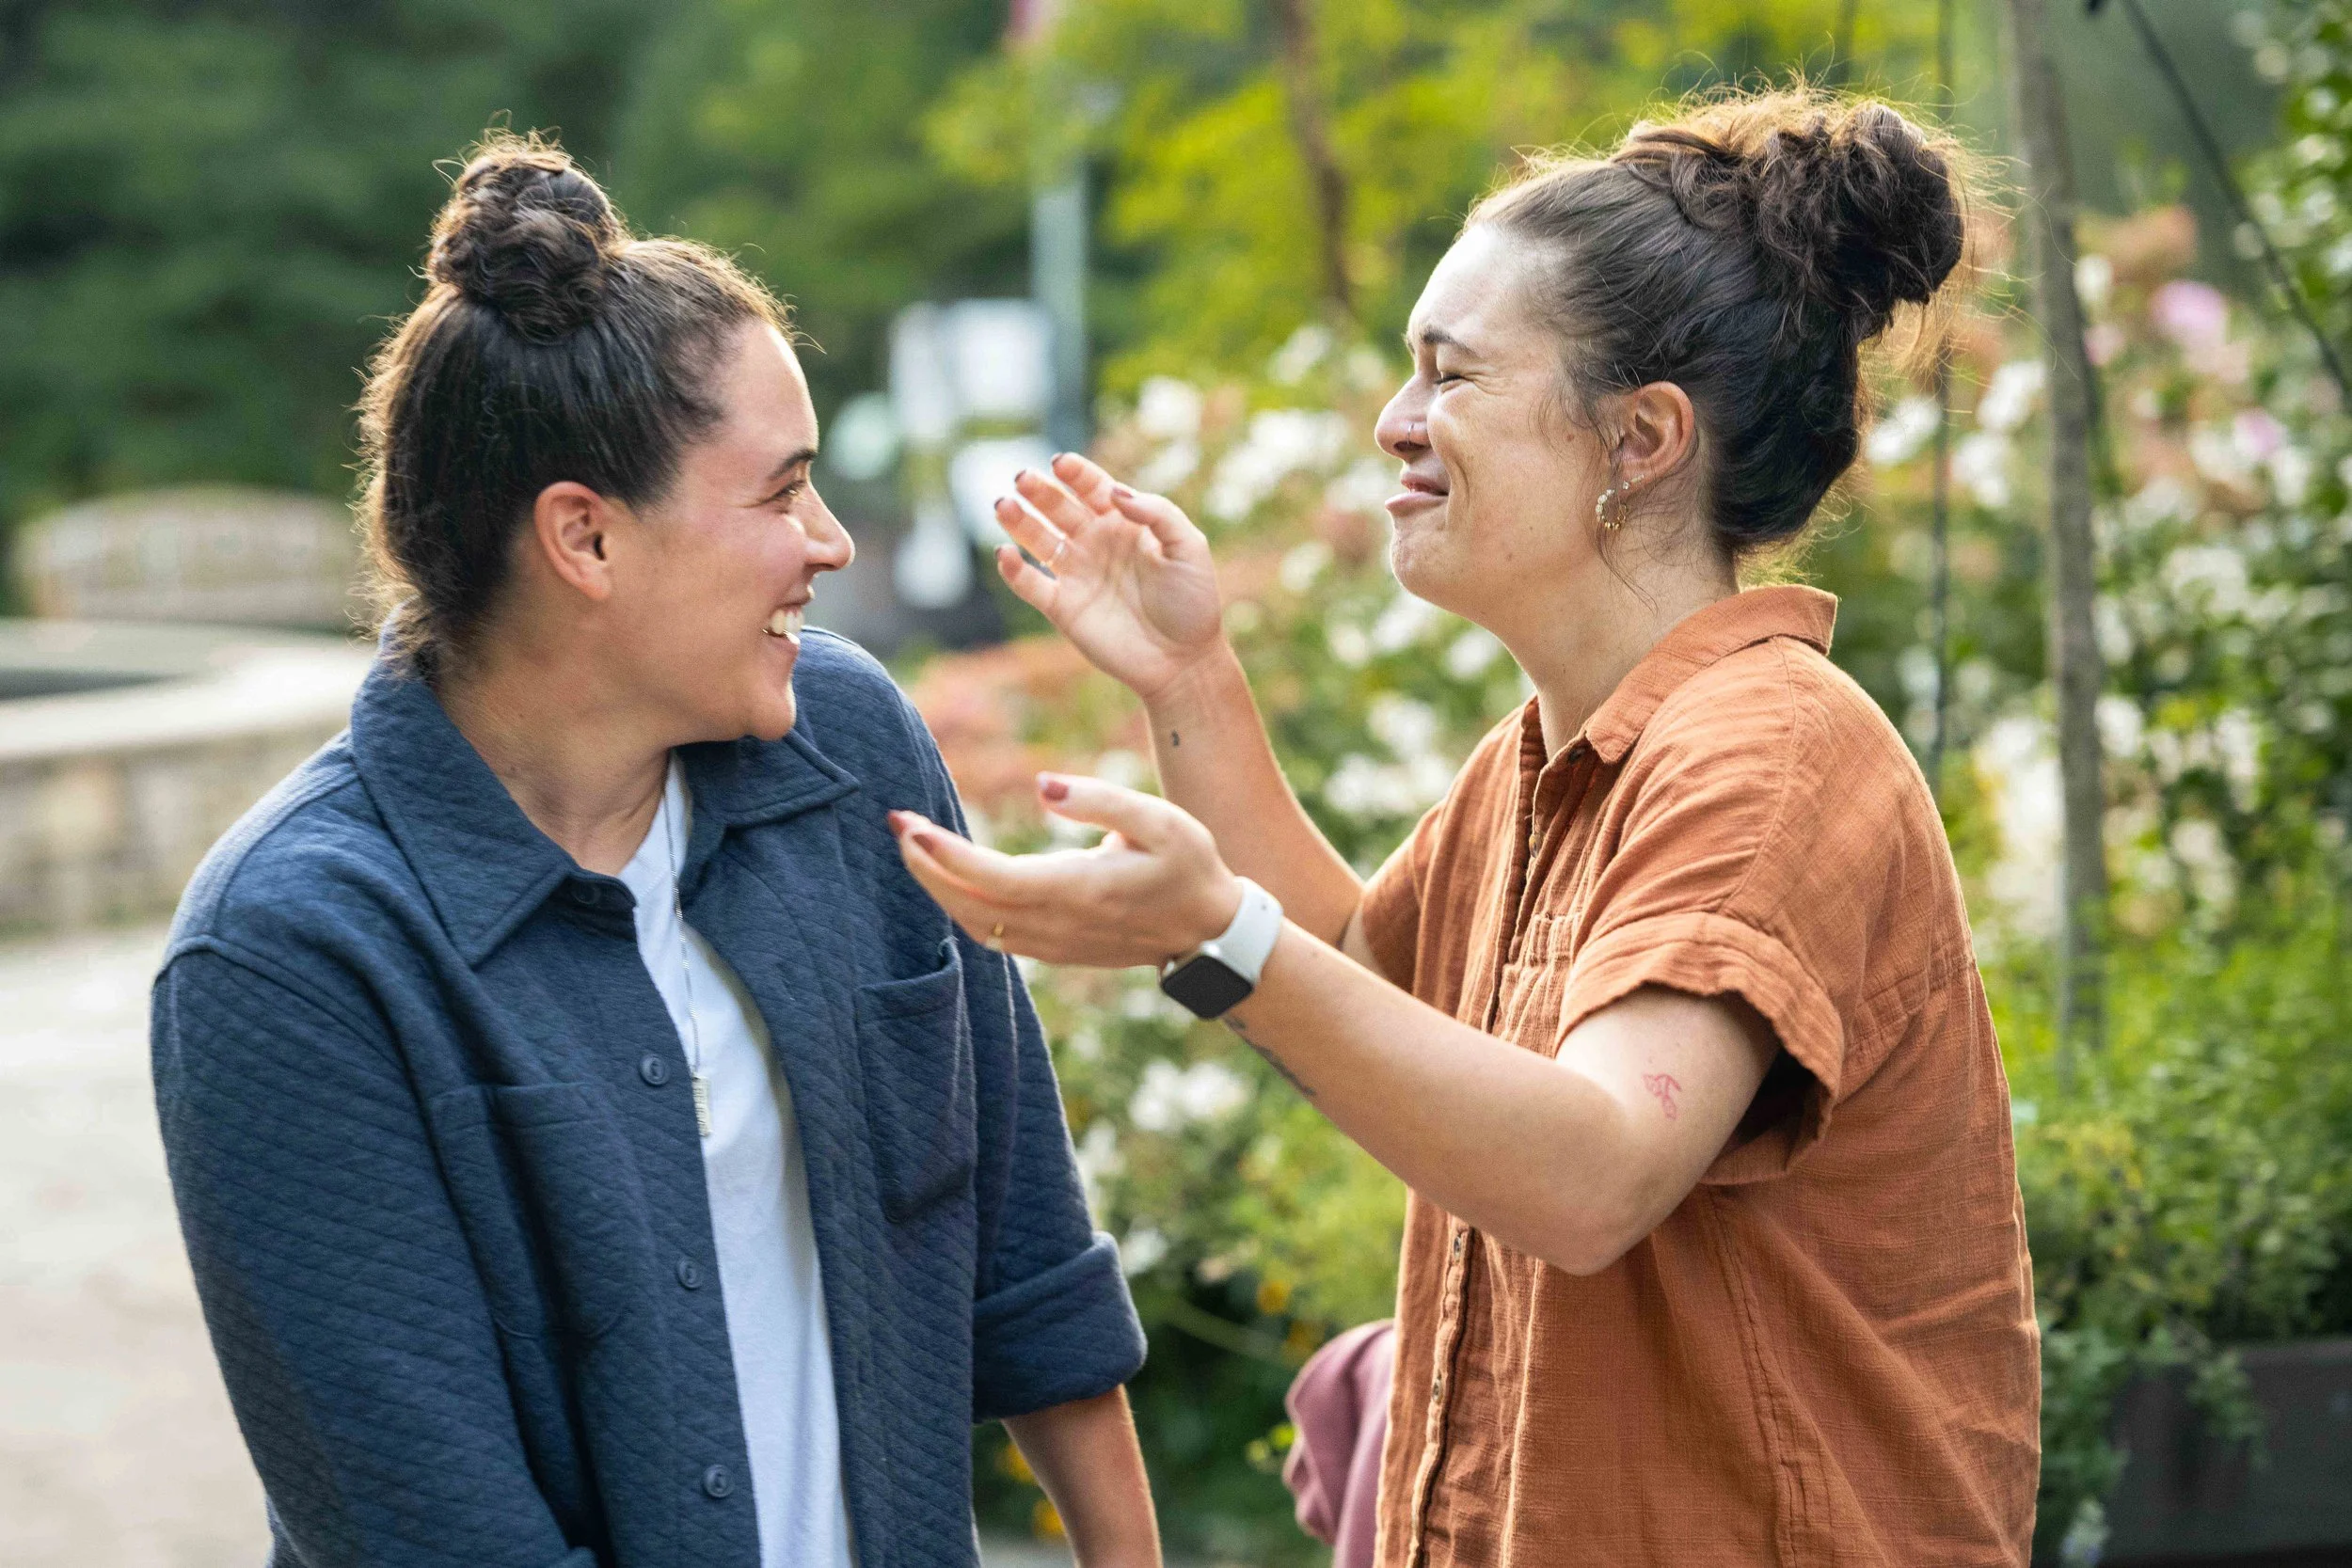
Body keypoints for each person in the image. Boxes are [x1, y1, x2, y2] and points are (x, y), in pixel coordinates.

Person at [887, 89, 2042, 1565]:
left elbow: (1592, 1169)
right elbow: (1367, 963)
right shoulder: (1548, 755)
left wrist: (1213, 938)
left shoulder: (1775, 753)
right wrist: (1191, 678)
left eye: (1450, 375)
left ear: (1641, 437)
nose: (1395, 421)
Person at [151, 133, 1161, 1568]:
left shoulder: (849, 745)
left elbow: (1027, 1263)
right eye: (779, 491)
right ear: (586, 538)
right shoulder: (289, 955)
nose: (827, 542)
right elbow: (436, 1535)